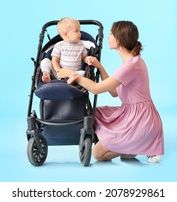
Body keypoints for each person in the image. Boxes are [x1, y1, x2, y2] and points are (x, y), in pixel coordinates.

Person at [67, 20, 164, 163]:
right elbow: (114, 92)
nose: (108, 36)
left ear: (119, 40)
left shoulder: (131, 66)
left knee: (98, 153)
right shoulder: (132, 62)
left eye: (111, 33)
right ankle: (130, 145)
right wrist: (100, 67)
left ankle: (137, 145)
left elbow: (96, 89)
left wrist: (74, 76)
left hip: (140, 120)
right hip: (132, 113)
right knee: (95, 113)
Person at [41, 17, 94, 83]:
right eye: (76, 31)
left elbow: (84, 57)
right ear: (66, 34)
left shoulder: (81, 45)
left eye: (79, 31)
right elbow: (55, 60)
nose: (80, 33)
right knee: (45, 61)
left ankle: (72, 79)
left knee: (83, 73)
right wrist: (58, 70)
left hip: (74, 73)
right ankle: (47, 74)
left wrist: (88, 59)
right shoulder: (59, 45)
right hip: (60, 73)